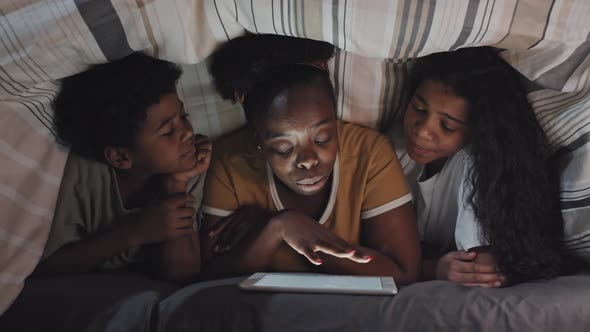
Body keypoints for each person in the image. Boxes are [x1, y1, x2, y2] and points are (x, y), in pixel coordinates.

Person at [199, 34, 421, 284]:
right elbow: (209, 279)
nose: (307, 160)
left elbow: (403, 273)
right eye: (284, 148)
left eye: (323, 138)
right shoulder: (230, 161)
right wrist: (278, 227)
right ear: (258, 140)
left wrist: (303, 235)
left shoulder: (369, 153)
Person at [390, 46, 571, 286]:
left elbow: (481, 270)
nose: (422, 131)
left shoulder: (477, 164)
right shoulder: (389, 149)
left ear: (478, 130)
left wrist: (468, 264)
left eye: (448, 126)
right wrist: (432, 268)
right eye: (419, 109)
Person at [34, 52, 211, 283]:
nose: (188, 132)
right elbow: (45, 267)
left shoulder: (186, 165)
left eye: (183, 116)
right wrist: (135, 231)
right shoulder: (81, 178)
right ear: (120, 157)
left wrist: (175, 186)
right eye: (168, 131)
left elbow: (183, 272)